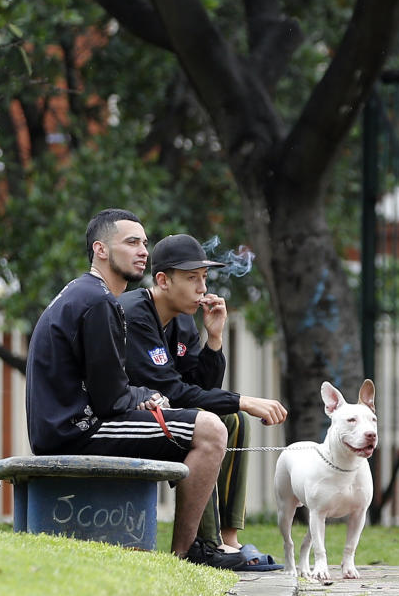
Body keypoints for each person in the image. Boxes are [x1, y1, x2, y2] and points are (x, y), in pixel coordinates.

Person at [25, 209, 253, 569]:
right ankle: (185, 556)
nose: (143, 250)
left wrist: (210, 343)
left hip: (74, 424)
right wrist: (146, 397)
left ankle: (206, 546)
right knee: (210, 431)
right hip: (77, 430)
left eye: (145, 243)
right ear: (100, 249)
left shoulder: (91, 295)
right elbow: (112, 398)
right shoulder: (100, 302)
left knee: (212, 423)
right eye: (131, 242)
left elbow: (115, 391)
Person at [120, 233, 287, 569]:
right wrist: (244, 400)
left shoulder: (182, 319)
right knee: (217, 421)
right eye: (191, 278)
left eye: (204, 278)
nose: (201, 288)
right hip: (125, 417)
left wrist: (214, 338)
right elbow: (176, 392)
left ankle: (227, 540)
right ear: (163, 280)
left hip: (164, 415)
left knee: (231, 420)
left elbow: (201, 387)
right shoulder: (135, 315)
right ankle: (202, 544)